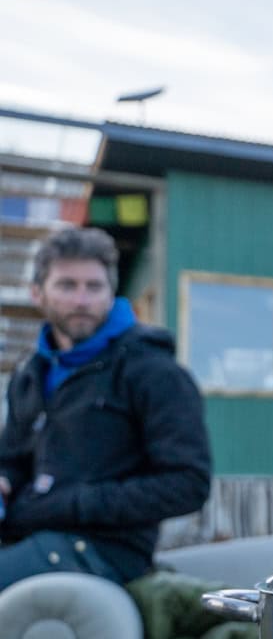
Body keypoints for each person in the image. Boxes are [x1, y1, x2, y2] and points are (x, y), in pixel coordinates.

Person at [0, 227, 213, 588]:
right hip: (28, 533)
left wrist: (75, 504)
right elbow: (13, 460)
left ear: (111, 293)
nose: (82, 299)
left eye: (94, 286)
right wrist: (5, 481)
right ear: (38, 293)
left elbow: (188, 483)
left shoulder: (153, 371)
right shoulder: (29, 374)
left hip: (108, 550)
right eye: (67, 285)